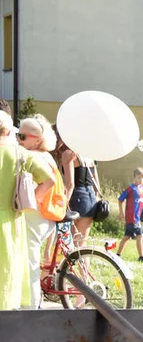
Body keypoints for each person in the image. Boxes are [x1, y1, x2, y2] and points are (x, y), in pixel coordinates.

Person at [0, 110, 55, 310]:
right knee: (10, 268)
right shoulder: (21, 154)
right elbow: (50, 180)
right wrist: (28, 201)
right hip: (13, 218)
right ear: (8, 132)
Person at [17, 115, 66, 309]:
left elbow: (48, 183)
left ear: (37, 139)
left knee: (30, 263)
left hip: (36, 217)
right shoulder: (47, 156)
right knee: (32, 261)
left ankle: (31, 306)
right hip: (48, 217)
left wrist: (32, 201)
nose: (18, 139)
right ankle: (33, 302)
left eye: (22, 136)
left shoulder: (34, 156)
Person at [58, 130, 100, 243]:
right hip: (91, 197)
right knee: (81, 243)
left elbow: (70, 184)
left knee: (69, 242)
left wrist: (64, 203)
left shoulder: (68, 154)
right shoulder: (89, 156)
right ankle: (85, 261)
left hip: (77, 196)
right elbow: (96, 183)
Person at [116, 168, 143, 262]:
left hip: (137, 217)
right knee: (140, 235)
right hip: (132, 218)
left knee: (126, 237)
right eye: (139, 178)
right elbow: (120, 199)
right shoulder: (131, 189)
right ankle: (141, 257)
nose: (141, 180)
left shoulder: (142, 189)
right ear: (134, 177)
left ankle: (118, 255)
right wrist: (121, 212)